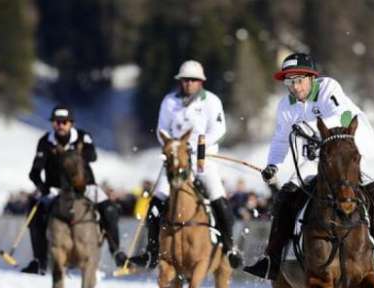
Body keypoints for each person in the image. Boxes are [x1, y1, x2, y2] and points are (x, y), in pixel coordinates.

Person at [242, 53, 374, 282]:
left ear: (311, 78)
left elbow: (338, 116)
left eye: (299, 80)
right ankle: (272, 259)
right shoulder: (285, 107)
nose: (295, 87)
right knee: (285, 196)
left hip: (347, 153)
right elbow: (280, 139)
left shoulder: (328, 88)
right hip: (316, 159)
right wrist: (273, 165)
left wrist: (307, 129)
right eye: (289, 82)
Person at [130, 60, 242, 269]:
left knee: (218, 197)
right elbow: (162, 130)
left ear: (201, 82)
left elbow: (219, 130)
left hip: (202, 160)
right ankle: (152, 252)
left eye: (193, 80)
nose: (188, 84)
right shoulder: (169, 101)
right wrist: (174, 147)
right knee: (157, 200)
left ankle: (230, 247)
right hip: (176, 162)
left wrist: (200, 144)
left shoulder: (211, 101)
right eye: (185, 80)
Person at [20, 105, 126, 275]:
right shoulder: (45, 141)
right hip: (55, 189)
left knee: (110, 210)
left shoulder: (82, 137)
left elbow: (93, 156)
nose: (60, 125)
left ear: (71, 124)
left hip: (84, 186)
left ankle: (117, 252)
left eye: (64, 122)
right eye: (57, 122)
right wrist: (43, 187)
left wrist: (73, 154)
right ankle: (39, 260)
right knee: (35, 213)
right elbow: (34, 172)